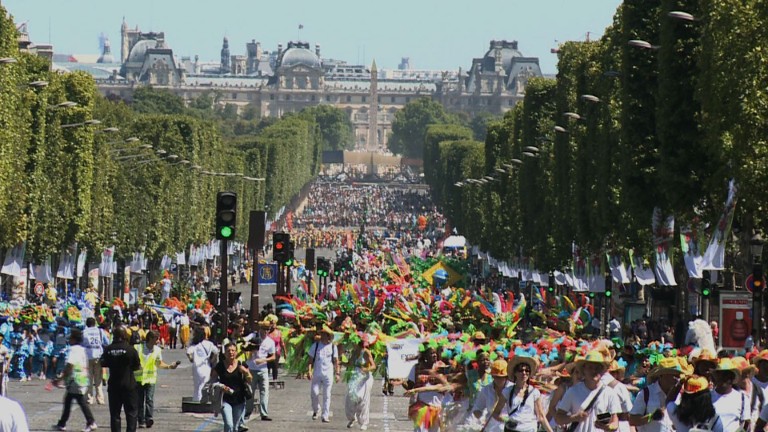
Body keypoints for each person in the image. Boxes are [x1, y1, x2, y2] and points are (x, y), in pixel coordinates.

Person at [555, 352, 621, 432]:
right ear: (584, 370)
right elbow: (558, 418)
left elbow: (615, 421)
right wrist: (575, 418)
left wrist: (608, 427)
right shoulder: (573, 391)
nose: (594, 371)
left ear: (602, 371)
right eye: (590, 367)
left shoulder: (610, 393)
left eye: (597, 368)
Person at [491, 355, 552, 432]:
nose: (524, 373)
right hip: (512, 430)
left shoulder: (534, 392)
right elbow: (495, 413)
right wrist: (506, 421)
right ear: (515, 373)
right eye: (521, 370)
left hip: (529, 429)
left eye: (527, 371)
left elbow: (541, 416)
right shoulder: (507, 391)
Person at [53, 329, 98, 432]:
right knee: (68, 400)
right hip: (82, 378)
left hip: (75, 380)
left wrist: (60, 378)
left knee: (80, 401)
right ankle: (62, 423)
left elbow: (70, 365)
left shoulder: (73, 350)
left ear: (73, 339)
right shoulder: (82, 349)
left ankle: (91, 422)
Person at [134, 330, 179, 428]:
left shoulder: (157, 350)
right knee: (140, 400)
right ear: (150, 338)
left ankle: (149, 418)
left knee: (149, 399)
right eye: (156, 339)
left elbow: (158, 363)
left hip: (150, 379)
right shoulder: (138, 348)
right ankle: (141, 420)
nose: (158, 341)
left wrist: (169, 366)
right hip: (139, 378)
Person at [101, 325, 141, 432]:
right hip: (129, 384)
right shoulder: (130, 349)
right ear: (124, 335)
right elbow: (137, 366)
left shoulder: (108, 349)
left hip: (114, 385)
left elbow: (103, 363)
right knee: (131, 413)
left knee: (115, 414)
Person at [629, 356, 685, 432]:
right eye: (673, 375)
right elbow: (633, 420)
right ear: (662, 375)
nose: (677, 379)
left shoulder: (680, 395)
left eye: (678, 376)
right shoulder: (646, 393)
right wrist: (651, 417)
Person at [210, 343, 252, 432]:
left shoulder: (241, 364)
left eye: (233, 350)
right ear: (224, 353)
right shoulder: (220, 365)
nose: (231, 353)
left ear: (236, 352)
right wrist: (220, 386)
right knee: (229, 424)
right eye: (228, 351)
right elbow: (212, 379)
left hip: (239, 400)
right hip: (225, 399)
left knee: (235, 427)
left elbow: (249, 380)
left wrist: (245, 372)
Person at [308, 325, 340, 423]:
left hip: (328, 373)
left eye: (324, 334)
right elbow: (310, 360)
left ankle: (325, 415)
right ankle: (316, 410)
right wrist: (309, 370)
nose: (322, 336)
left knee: (327, 395)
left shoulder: (333, 347)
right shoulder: (316, 345)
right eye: (321, 334)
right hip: (317, 372)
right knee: (314, 393)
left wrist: (337, 373)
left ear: (328, 336)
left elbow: (336, 361)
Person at [245, 320, 275, 422]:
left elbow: (273, 356)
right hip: (251, 368)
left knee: (264, 391)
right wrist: (249, 347)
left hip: (263, 369)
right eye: (264, 329)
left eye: (268, 329)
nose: (265, 331)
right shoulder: (253, 336)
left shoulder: (270, 342)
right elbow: (243, 342)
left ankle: (264, 413)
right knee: (250, 391)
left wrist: (264, 360)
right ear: (260, 329)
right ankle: (248, 411)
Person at [710, 358, 751, 432]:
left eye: (726, 375)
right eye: (720, 375)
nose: (723, 378)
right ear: (716, 377)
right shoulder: (707, 397)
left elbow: (746, 423)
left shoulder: (742, 399)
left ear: (732, 378)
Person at [344, 334, 375, 430]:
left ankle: (364, 422)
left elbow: (373, 366)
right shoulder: (355, 352)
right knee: (350, 396)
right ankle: (352, 418)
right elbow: (350, 363)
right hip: (355, 376)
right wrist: (340, 362)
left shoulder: (366, 352)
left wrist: (365, 369)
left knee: (363, 399)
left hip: (365, 377)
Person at [187, 327, 219, 402]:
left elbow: (188, 352)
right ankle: (203, 399)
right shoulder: (209, 344)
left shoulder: (195, 344)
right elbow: (216, 351)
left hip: (197, 367)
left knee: (197, 385)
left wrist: (191, 359)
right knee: (204, 384)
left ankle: (196, 399)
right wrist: (212, 359)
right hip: (206, 366)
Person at [82, 317, 110, 405]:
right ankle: (100, 398)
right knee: (98, 379)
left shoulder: (84, 332)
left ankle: (89, 399)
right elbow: (107, 342)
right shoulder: (100, 331)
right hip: (98, 356)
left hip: (87, 357)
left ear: (87, 324)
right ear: (95, 323)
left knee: (88, 379)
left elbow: (81, 344)